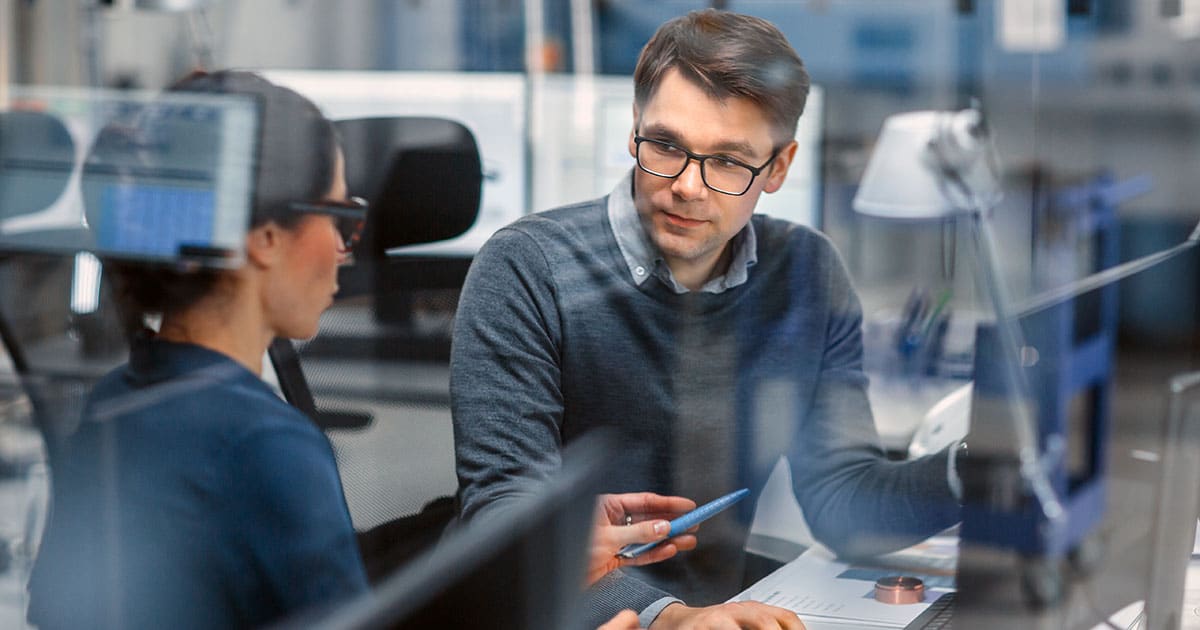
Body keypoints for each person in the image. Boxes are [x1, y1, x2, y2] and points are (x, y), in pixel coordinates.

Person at [451, 9, 960, 629]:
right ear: (634, 130)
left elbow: (842, 499)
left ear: (778, 167)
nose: (689, 186)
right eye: (666, 145)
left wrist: (973, 466)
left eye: (727, 161)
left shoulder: (806, 272)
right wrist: (670, 617)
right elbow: (510, 526)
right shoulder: (529, 269)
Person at [26, 70, 371, 629]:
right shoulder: (269, 445)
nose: (342, 248)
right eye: (339, 218)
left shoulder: (115, 402)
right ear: (264, 236)